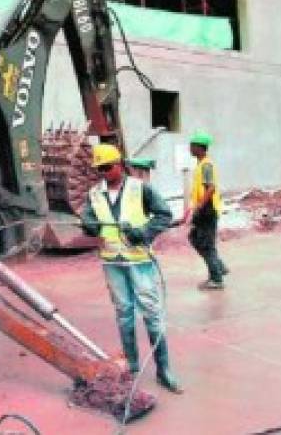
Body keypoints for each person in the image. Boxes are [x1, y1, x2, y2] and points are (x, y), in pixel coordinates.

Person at [80, 143, 182, 394]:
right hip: (112, 261)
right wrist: (90, 225)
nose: (103, 173)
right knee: (124, 312)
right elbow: (87, 219)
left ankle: (163, 369)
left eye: (107, 167)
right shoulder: (94, 194)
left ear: (120, 164)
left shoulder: (140, 189)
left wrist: (143, 233)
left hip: (139, 261)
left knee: (151, 312)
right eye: (99, 169)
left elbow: (163, 215)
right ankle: (133, 365)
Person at [185, 130, 229, 290]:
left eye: (192, 145)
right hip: (203, 210)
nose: (190, 148)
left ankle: (216, 279)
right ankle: (218, 267)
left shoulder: (206, 165)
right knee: (195, 238)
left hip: (207, 210)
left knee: (206, 244)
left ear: (200, 148)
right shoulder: (200, 164)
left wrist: (199, 206)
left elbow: (210, 188)